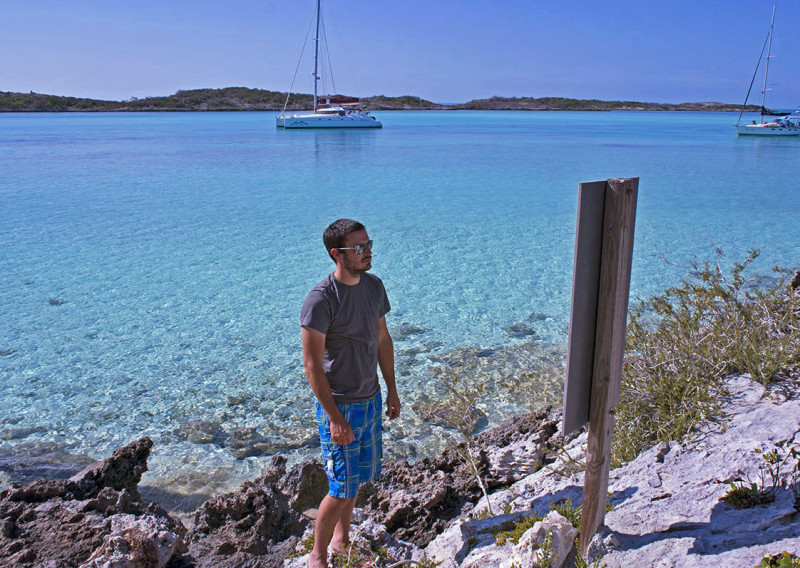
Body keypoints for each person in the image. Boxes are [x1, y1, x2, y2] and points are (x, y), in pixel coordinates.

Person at [301, 219, 401, 568]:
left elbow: (382, 339)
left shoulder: (374, 287)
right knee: (340, 487)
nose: (368, 251)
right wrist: (334, 417)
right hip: (339, 405)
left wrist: (391, 390)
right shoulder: (321, 299)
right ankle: (318, 557)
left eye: (368, 243)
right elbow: (312, 365)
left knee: (356, 478)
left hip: (370, 399)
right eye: (359, 247)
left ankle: (343, 539)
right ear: (337, 254)